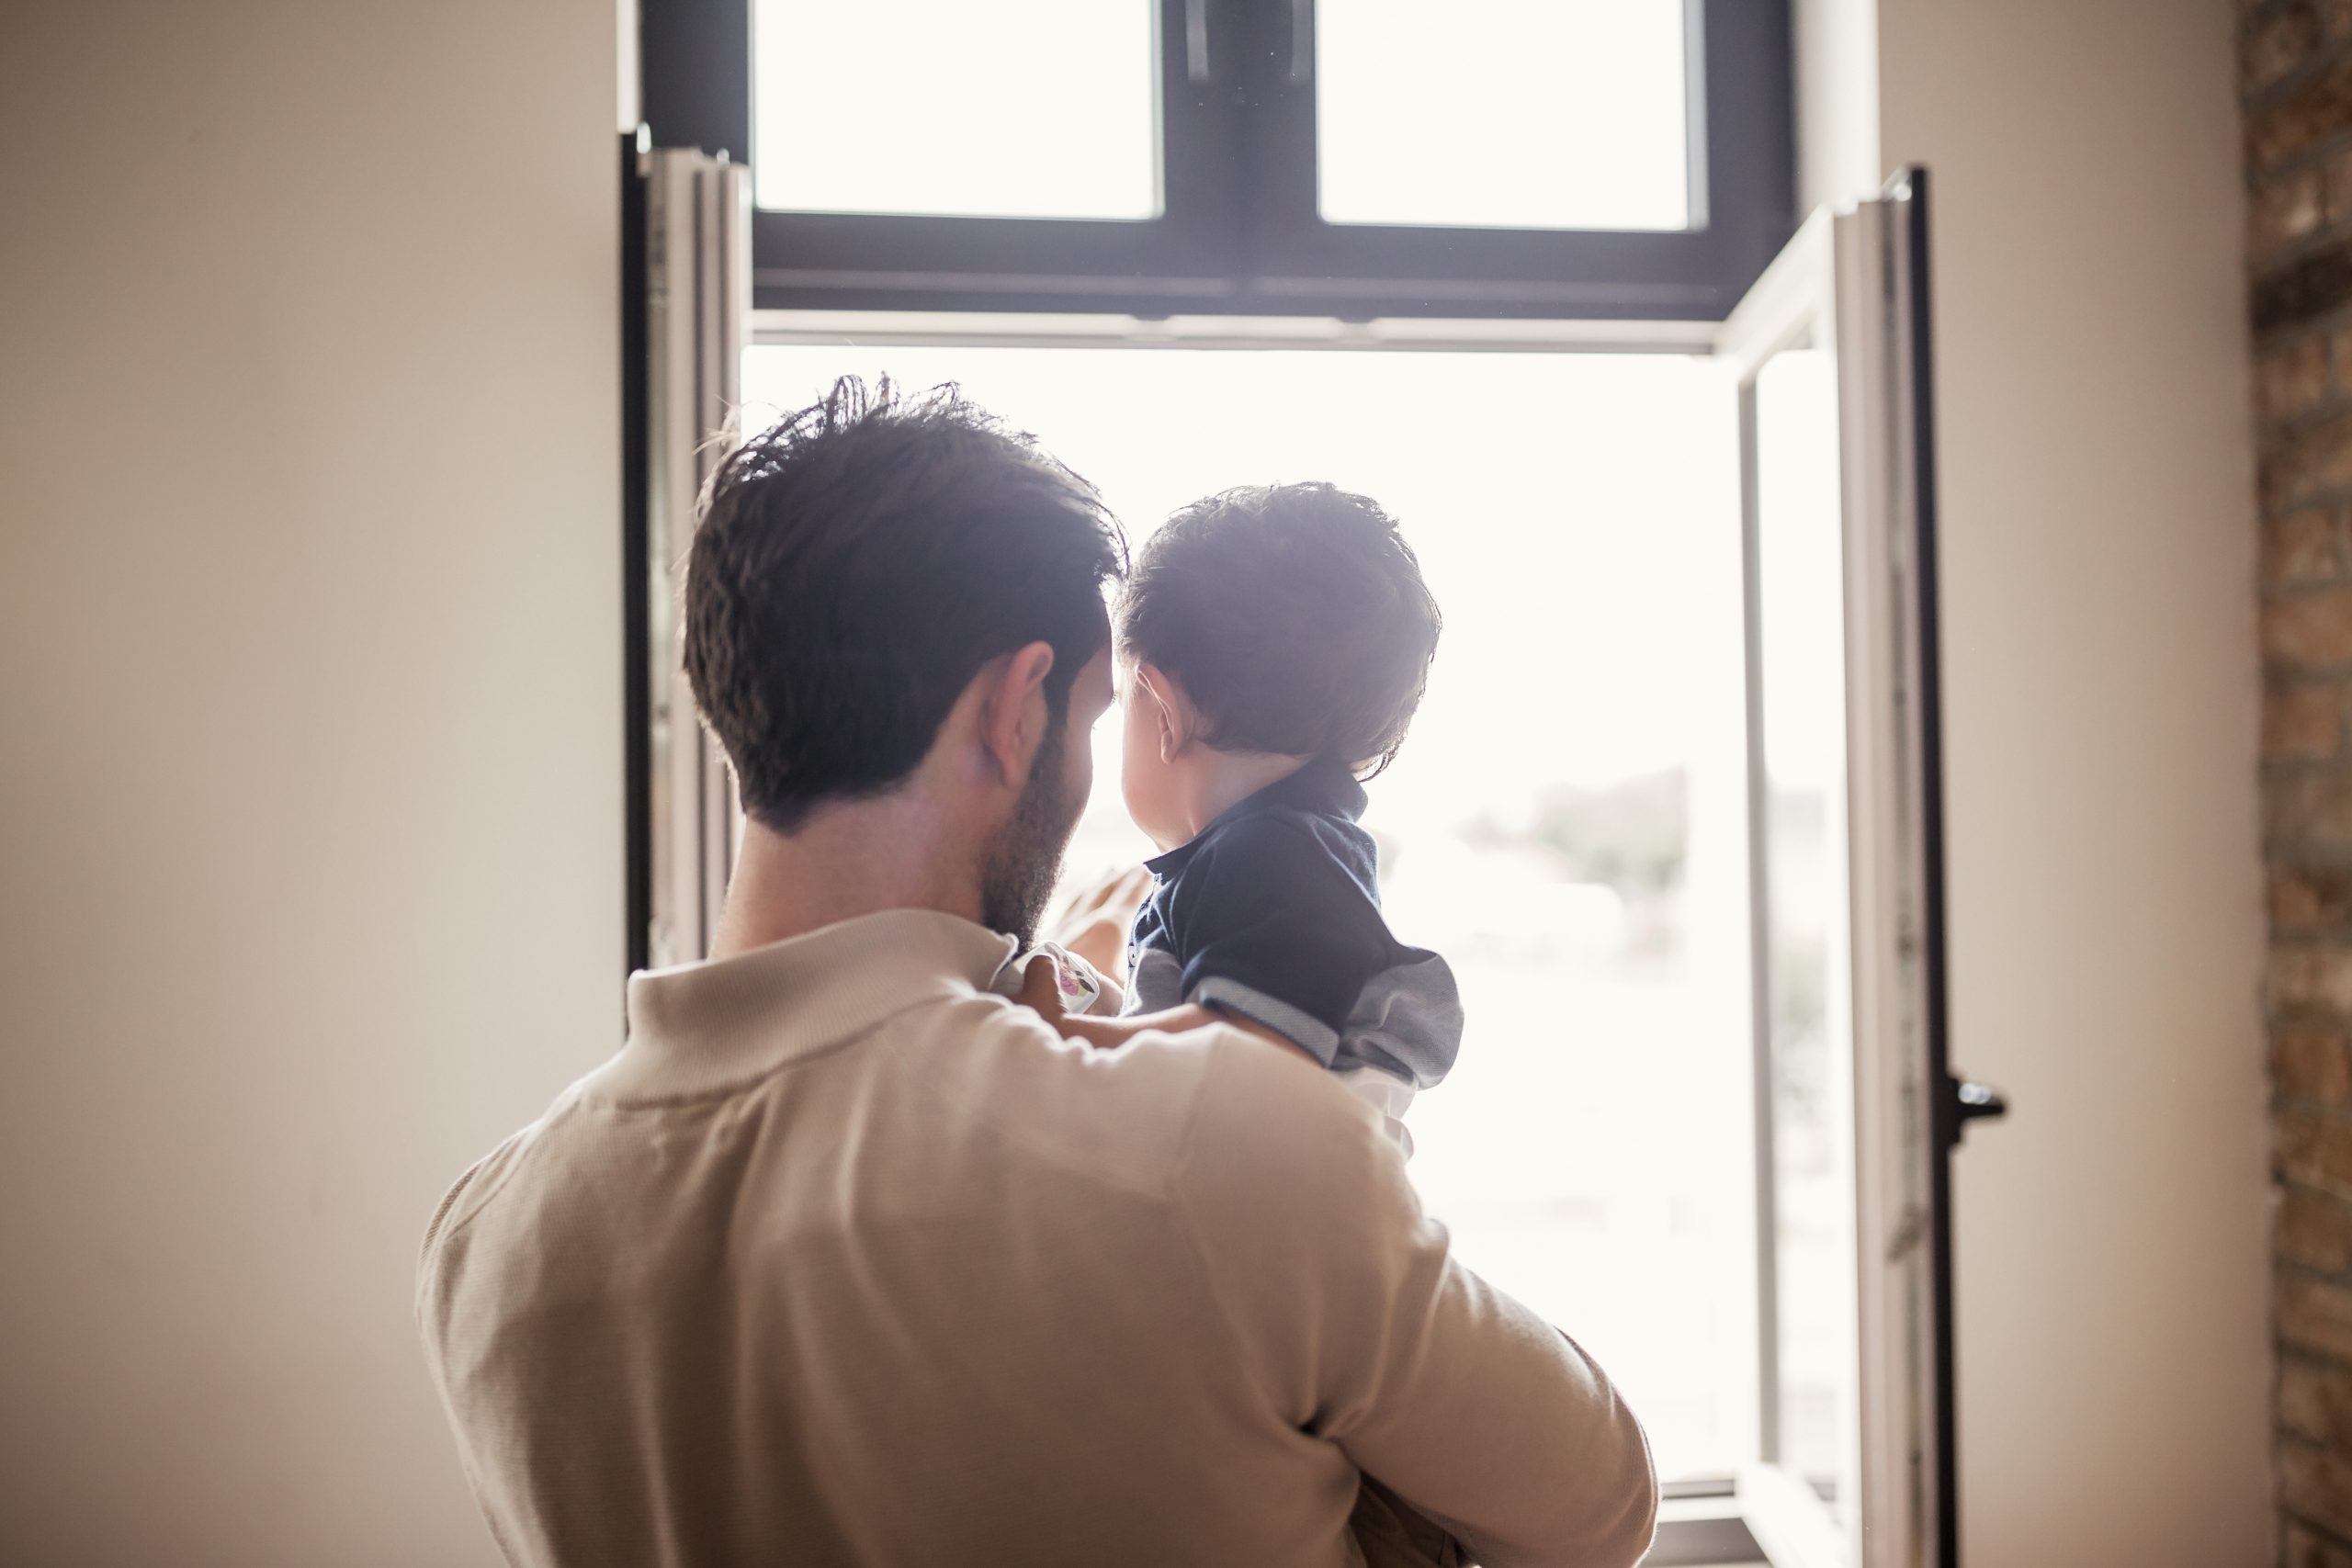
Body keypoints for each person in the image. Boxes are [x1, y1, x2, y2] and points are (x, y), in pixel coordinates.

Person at [415, 378, 1658, 1568]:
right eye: (1090, 714)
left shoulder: (487, 1246)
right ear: (1016, 710)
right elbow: (1599, 1506)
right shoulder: (1217, 1133)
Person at [1028, 483, 1459, 1160]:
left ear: (1161, 709)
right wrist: (1094, 988)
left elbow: (1239, 1058)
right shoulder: (1294, 852)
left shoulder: (1267, 856)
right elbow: (1204, 1022)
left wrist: (1059, 1036)